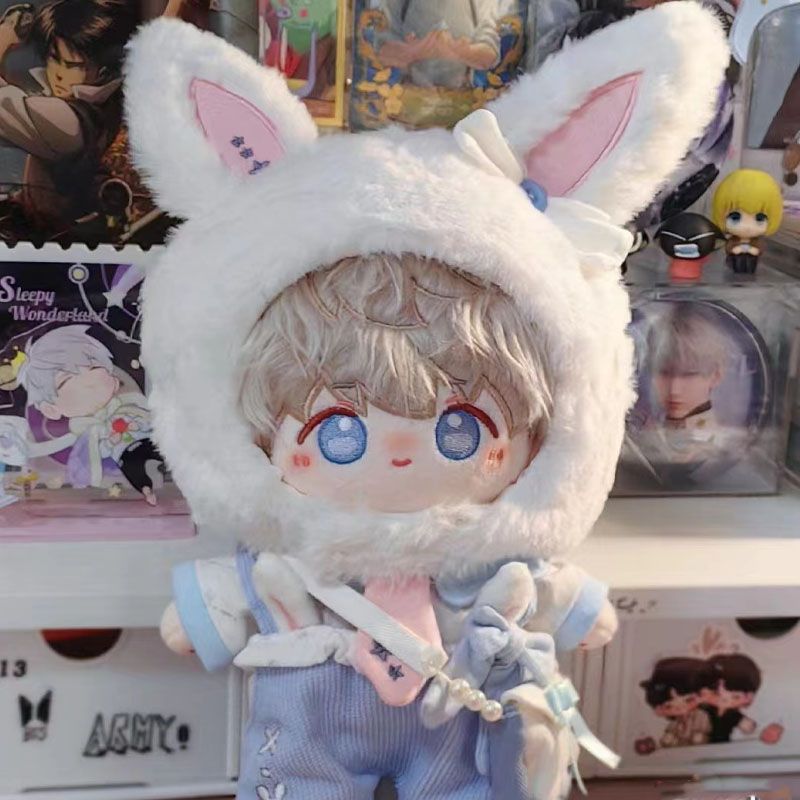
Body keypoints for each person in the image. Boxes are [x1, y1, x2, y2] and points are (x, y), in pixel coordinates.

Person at [0, 0, 138, 236]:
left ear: (101, 71)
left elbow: (6, 107)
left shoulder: (69, 123)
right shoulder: (94, 109)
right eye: (54, 58)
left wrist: (3, 38)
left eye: (73, 65)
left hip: (48, 235)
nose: (59, 75)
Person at [16, 325, 163, 504]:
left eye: (94, 367)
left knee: (165, 453)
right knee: (134, 470)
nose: (88, 381)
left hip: (147, 438)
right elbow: (93, 451)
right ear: (50, 410)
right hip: (123, 454)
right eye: (66, 380)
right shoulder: (88, 431)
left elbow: (144, 411)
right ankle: (147, 490)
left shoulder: (127, 403)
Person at [375, 0, 502, 88]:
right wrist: (413, 52)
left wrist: (460, 52)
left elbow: (490, 55)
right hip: (408, 98)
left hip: (463, 98)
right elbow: (382, 51)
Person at [711, 169, 784, 274]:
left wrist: (753, 250)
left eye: (759, 219)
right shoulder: (733, 240)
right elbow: (729, 247)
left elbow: (760, 249)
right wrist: (735, 249)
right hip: (734, 263)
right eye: (735, 218)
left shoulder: (756, 242)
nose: (747, 227)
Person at [699, 653, 783, 745]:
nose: (723, 697)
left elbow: (749, 728)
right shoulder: (701, 706)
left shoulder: (731, 715)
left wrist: (765, 733)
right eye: (715, 692)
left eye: (735, 697)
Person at [640, 657, 713, 747]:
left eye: (667, 706)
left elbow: (700, 739)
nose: (659, 712)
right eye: (667, 707)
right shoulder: (676, 720)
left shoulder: (702, 716)